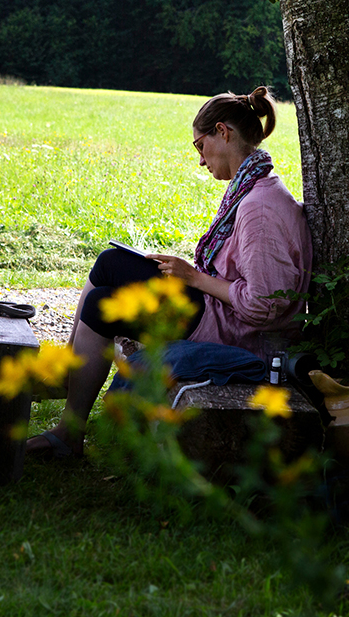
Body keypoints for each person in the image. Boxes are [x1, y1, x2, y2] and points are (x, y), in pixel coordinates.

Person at [27, 87, 313, 458]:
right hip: (218, 308)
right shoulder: (253, 187)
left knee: (102, 297)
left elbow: (264, 305)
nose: (200, 160)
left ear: (223, 133)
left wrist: (194, 278)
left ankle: (68, 428)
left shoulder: (259, 207)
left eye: (200, 146)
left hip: (236, 331)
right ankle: (67, 389)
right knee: (109, 266)